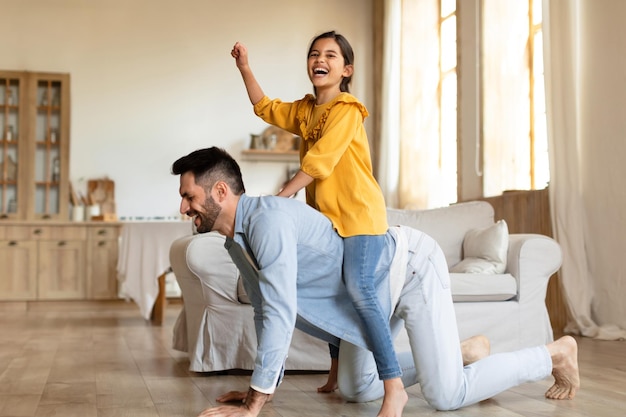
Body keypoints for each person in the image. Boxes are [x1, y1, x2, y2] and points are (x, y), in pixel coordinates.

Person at [171, 147, 580, 417]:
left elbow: (280, 311)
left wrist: (255, 403)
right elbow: (265, 312)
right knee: (357, 388)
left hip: (410, 270)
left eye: (189, 196)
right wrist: (259, 388)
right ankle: (460, 352)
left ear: (220, 191)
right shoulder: (235, 243)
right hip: (370, 296)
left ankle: (554, 355)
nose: (184, 206)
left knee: (446, 396)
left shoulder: (268, 220)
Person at [231, 31, 403, 410]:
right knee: (331, 290)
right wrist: (245, 67)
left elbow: (319, 161)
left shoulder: (347, 109)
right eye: (313, 53)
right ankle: (336, 371)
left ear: (346, 69)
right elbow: (265, 107)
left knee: (358, 289)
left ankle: (394, 388)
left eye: (329, 54)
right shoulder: (307, 109)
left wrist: (281, 197)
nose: (319, 59)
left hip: (360, 219)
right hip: (327, 221)